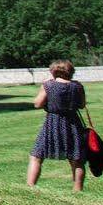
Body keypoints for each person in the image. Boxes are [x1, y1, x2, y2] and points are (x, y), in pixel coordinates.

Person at [28, 60, 90, 192]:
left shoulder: (48, 85)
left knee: (37, 155)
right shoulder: (78, 86)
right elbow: (82, 105)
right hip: (73, 123)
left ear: (54, 71)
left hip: (53, 123)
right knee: (76, 158)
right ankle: (78, 189)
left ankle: (30, 186)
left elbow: (37, 104)